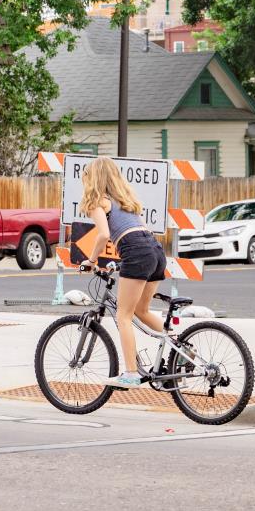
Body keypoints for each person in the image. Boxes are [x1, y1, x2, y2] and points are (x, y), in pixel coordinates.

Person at [76, 156, 165, 389]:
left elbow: (104, 235)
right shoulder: (125, 201)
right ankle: (182, 348)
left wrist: (91, 260)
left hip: (136, 253)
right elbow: (135, 233)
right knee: (142, 310)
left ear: (92, 179)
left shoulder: (98, 201)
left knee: (123, 316)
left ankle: (131, 373)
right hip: (155, 251)